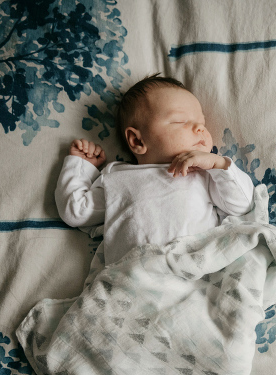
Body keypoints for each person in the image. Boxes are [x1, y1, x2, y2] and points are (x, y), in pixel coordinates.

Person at [55, 74, 255, 265]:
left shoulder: (205, 175)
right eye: (180, 121)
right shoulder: (118, 179)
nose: (200, 129)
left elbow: (243, 206)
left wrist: (219, 165)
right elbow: (77, 212)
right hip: (133, 282)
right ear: (137, 140)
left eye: (201, 123)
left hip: (192, 277)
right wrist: (81, 165)